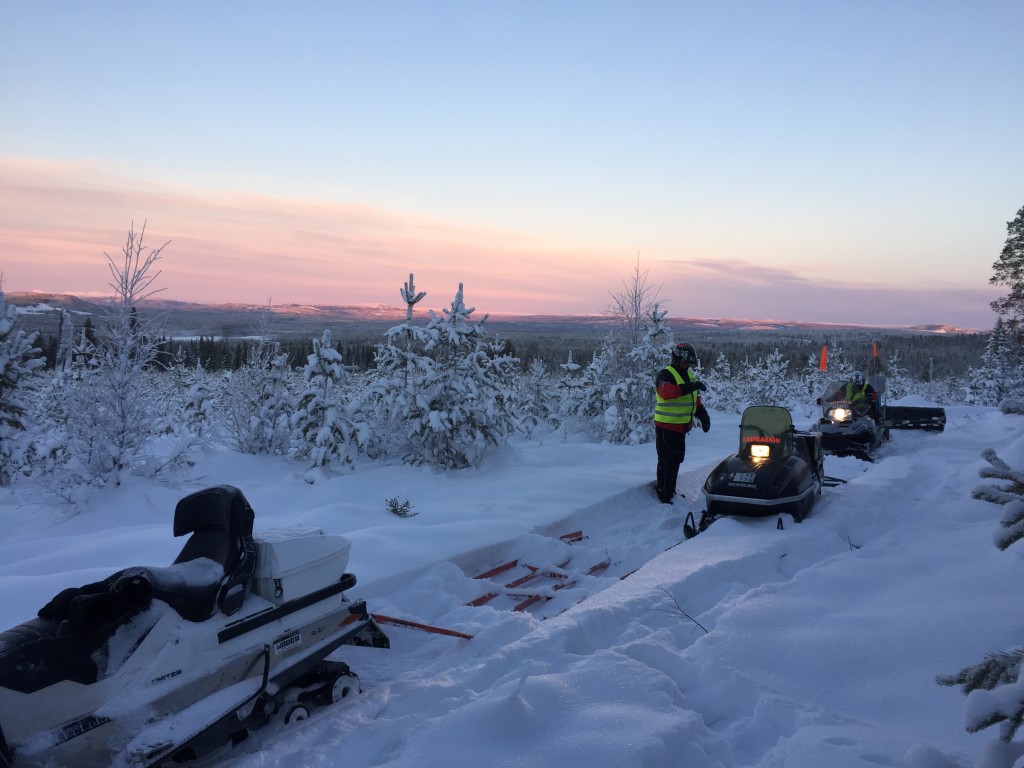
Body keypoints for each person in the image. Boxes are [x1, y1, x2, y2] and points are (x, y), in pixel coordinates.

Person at [653, 342, 710, 504]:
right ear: (676, 359)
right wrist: (692, 386)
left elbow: (694, 400)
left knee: (677, 460)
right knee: (666, 461)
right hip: (666, 427)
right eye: (685, 362)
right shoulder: (666, 375)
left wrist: (703, 415)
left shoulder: (688, 375)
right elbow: (666, 393)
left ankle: (670, 491)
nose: (687, 365)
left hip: (681, 428)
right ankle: (664, 494)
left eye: (689, 363)